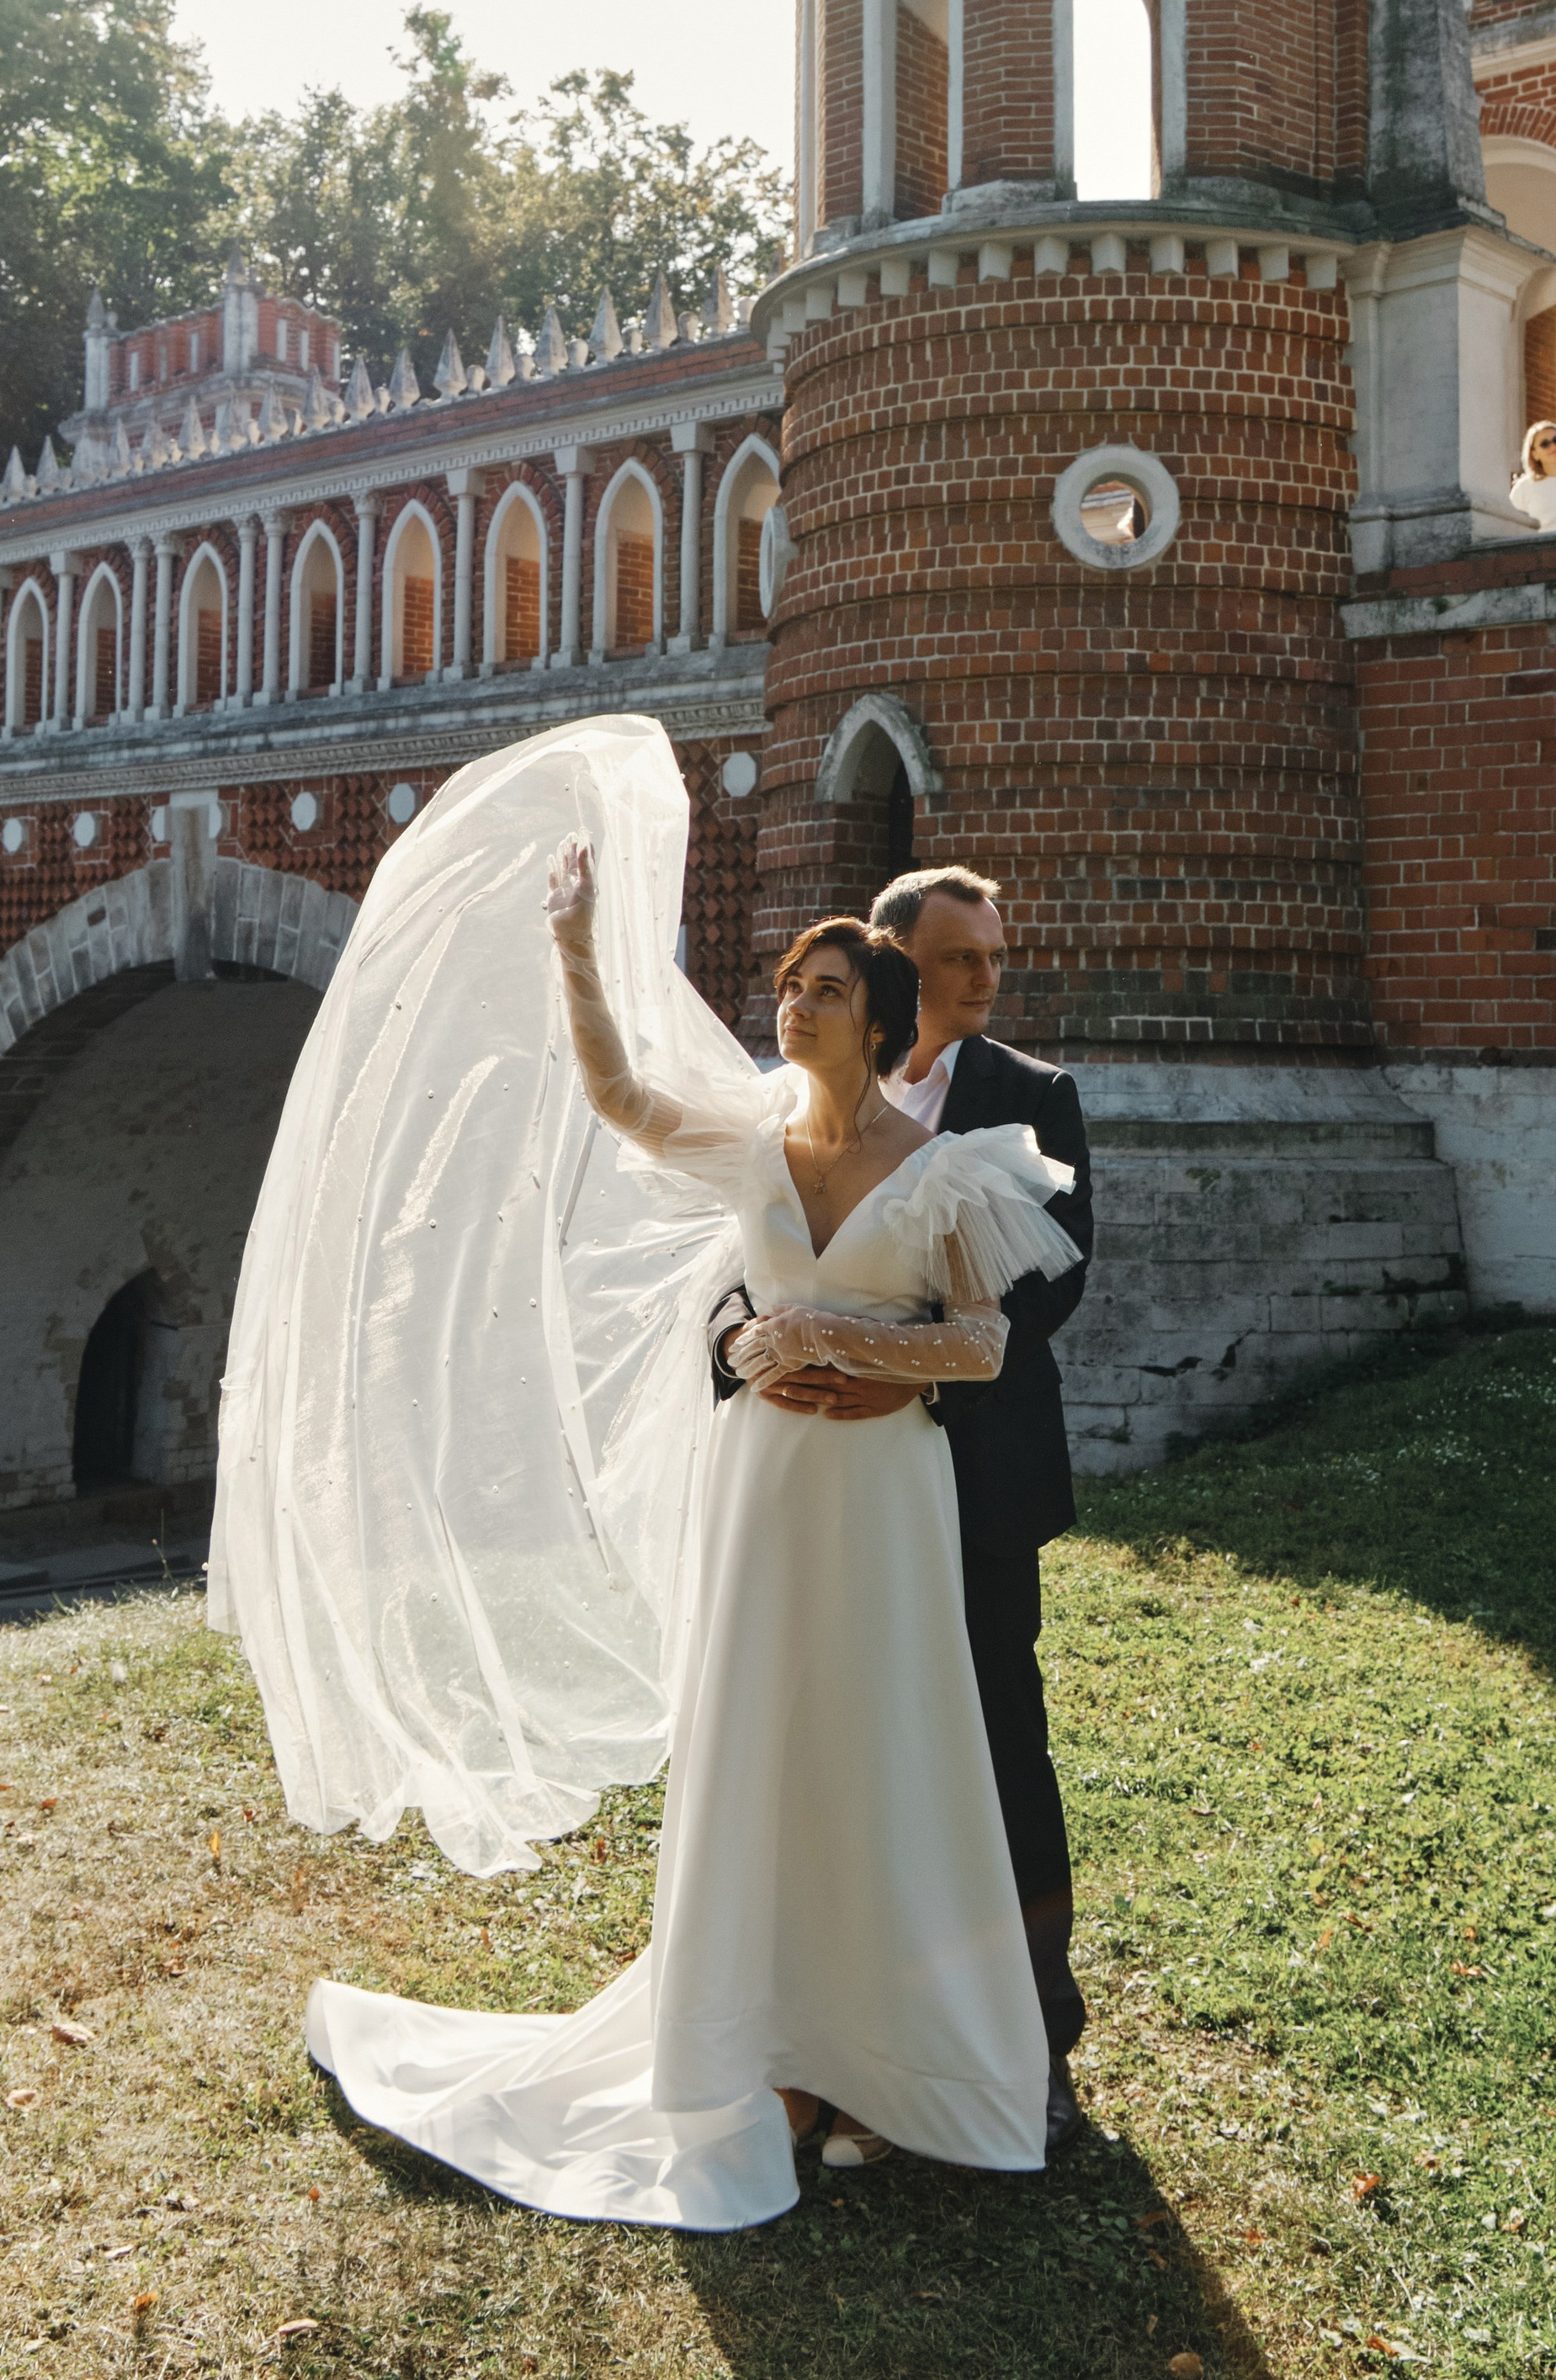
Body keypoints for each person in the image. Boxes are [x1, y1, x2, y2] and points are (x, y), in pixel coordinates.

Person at [210, 716, 1083, 2231]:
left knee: (901, 1757)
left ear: (874, 1019)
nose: (788, 1005)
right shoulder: (750, 1141)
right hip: (770, 1492)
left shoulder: (964, 1163)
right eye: (791, 987)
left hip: (898, 1498)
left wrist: (844, 1344)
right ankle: (773, 2050)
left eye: (817, 991)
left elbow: (994, 1345)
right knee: (766, 1748)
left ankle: (918, 2053)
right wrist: (572, 948)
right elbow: (619, 1101)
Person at [715, 861, 1094, 2147]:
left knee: (994, 1747)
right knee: (827, 1749)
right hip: (811, 1486)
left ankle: (1031, 2030)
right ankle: (823, 2024)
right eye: (962, 960)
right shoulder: (787, 1097)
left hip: (966, 1476)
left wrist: (889, 1374)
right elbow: (736, 1271)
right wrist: (757, 1347)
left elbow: (1044, 1295)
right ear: (895, 969)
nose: (988, 979)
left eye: (996, 955)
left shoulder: (1032, 1100)